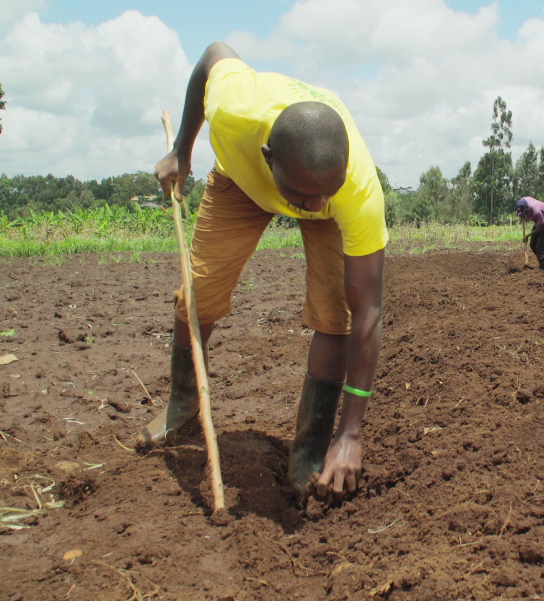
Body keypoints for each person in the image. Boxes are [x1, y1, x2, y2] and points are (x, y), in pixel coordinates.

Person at [138, 42, 387, 502]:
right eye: (304, 197)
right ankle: (181, 405)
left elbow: (368, 310)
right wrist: (181, 151)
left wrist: (350, 434)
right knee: (199, 295)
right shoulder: (235, 107)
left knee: (336, 315)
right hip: (241, 181)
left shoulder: (353, 192)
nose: (314, 208)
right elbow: (213, 54)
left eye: (325, 194)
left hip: (311, 183)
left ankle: (309, 453)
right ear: (270, 155)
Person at [516, 196, 544, 272]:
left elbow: (542, 226)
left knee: (540, 247)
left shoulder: (536, 211)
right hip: (538, 223)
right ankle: (541, 262)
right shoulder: (524, 202)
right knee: (533, 245)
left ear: (527, 207)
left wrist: (528, 235)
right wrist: (522, 215)